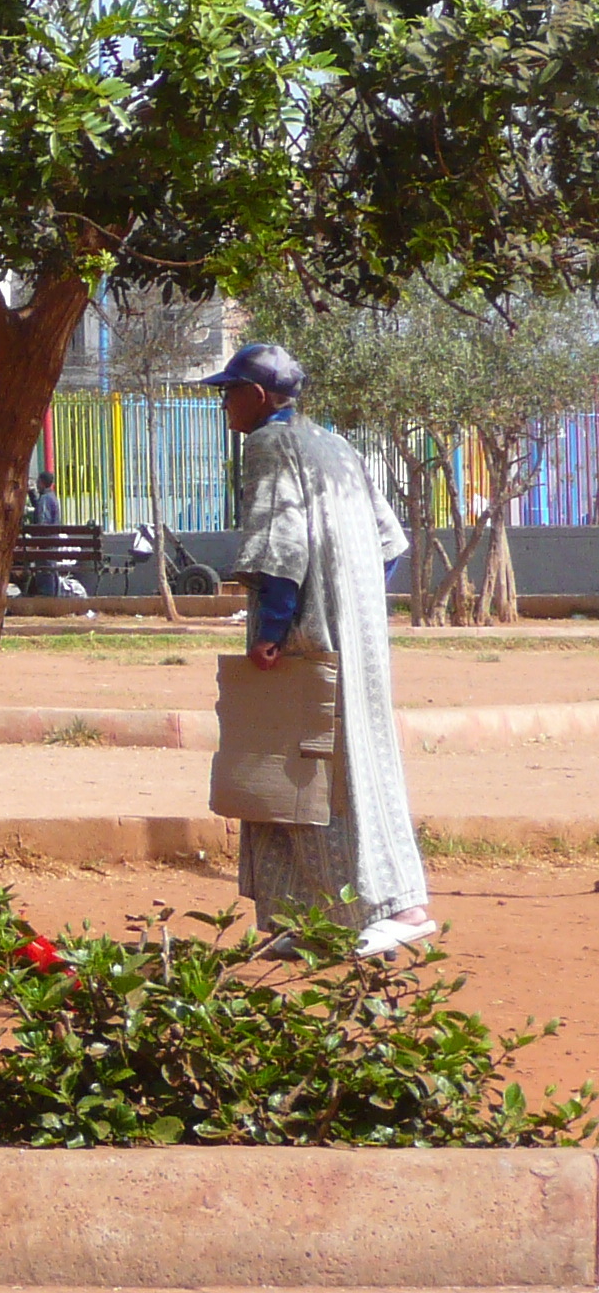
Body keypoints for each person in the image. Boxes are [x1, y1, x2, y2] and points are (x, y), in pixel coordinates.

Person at [205, 340, 435, 957]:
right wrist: (353, 602)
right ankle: (310, 925)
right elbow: (389, 542)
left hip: (310, 635)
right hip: (356, 635)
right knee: (334, 765)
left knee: (302, 768)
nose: (224, 404)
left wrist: (273, 630)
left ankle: (399, 907)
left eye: (228, 392)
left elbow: (280, 546)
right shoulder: (335, 445)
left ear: (256, 396)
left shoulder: (269, 445)